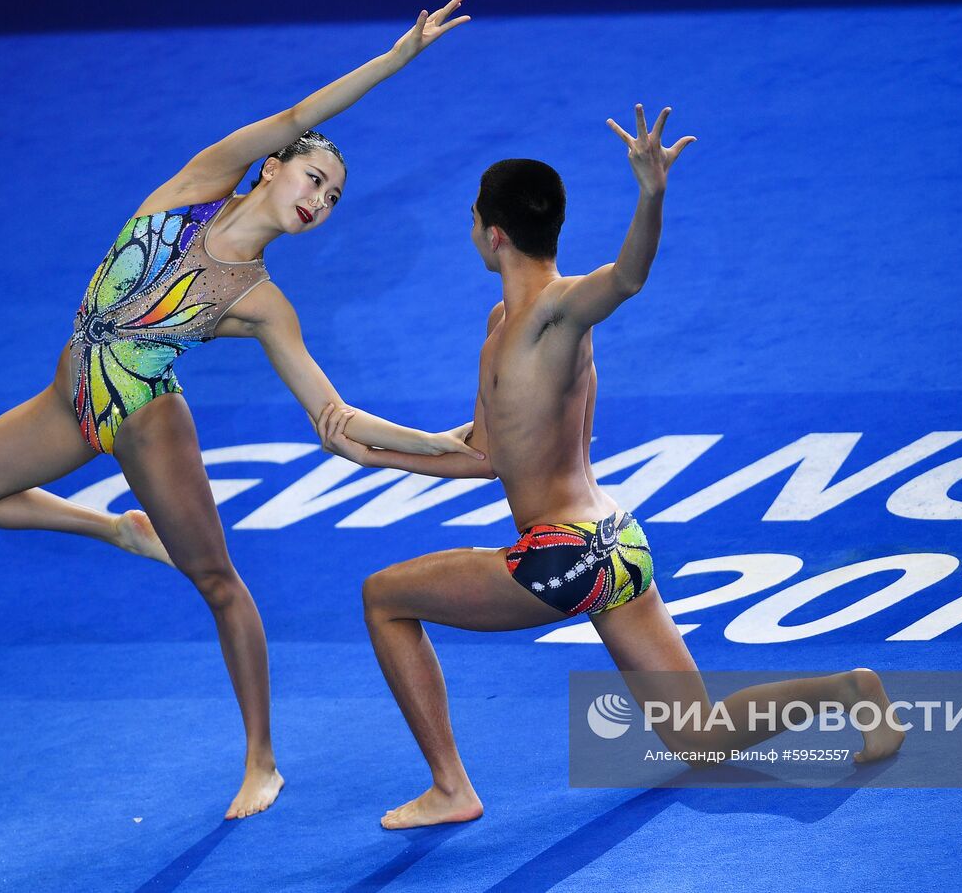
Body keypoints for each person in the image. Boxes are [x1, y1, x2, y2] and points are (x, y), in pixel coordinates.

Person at [0, 0, 480, 820]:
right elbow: (300, 112)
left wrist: (430, 442)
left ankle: (262, 757)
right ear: (270, 166)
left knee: (217, 581)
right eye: (312, 177)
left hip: (145, 422)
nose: (319, 200)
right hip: (69, 401)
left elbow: (335, 418)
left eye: (331, 198)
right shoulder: (192, 187)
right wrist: (397, 59)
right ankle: (116, 528)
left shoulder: (260, 301)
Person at [319, 104, 906, 830]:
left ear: (491, 232)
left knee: (383, 596)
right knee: (698, 737)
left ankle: (450, 786)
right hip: (616, 546)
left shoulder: (559, 311)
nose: (471, 227)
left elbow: (626, 278)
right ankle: (850, 691)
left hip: (562, 556)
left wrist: (651, 193)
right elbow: (485, 454)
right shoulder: (500, 327)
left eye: (473, 217)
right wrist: (369, 449)